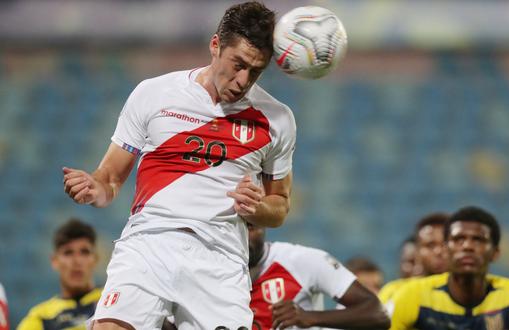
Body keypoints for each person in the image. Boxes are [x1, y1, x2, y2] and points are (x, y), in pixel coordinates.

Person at [62, 2, 295, 329]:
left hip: (219, 259)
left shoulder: (277, 119)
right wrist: (94, 189)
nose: (243, 80)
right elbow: (110, 179)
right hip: (148, 245)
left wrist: (258, 209)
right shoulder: (154, 94)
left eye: (255, 71)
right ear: (215, 46)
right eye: (238, 64)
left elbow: (280, 206)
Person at [388, 206, 509, 330]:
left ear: (495, 253)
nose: (468, 246)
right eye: (458, 239)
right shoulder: (413, 295)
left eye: (478, 240)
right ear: (445, 249)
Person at [248, 224, 389, 330]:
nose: (243, 237)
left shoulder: (300, 260)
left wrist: (309, 317)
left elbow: (378, 314)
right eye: (234, 228)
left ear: (264, 224)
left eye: (250, 226)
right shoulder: (226, 279)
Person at [17, 219, 102, 330]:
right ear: (54, 261)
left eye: (84, 252)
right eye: (68, 253)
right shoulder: (40, 317)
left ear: (95, 259)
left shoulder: (110, 300)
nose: (77, 261)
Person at [378, 212, 449, 304]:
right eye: (430, 245)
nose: (438, 251)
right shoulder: (394, 293)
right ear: (418, 251)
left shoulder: (470, 293)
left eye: (445, 244)